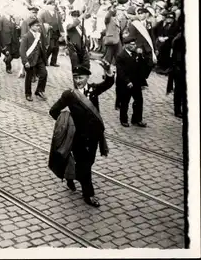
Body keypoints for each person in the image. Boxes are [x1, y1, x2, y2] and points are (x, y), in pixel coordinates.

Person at [49, 61, 114, 207]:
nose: (78, 81)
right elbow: (53, 111)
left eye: (81, 78)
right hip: (78, 138)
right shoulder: (69, 95)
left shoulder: (93, 90)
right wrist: (66, 123)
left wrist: (108, 70)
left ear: (87, 78)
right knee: (85, 166)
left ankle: (70, 175)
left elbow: (108, 83)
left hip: (94, 137)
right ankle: (88, 195)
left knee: (89, 162)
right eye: (76, 78)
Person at [116, 41, 149, 128]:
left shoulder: (136, 54)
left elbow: (141, 67)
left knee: (139, 101)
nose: (134, 46)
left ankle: (137, 119)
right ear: (126, 45)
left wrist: (141, 56)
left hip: (136, 83)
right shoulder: (120, 56)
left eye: (135, 44)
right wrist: (127, 81)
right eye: (132, 44)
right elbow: (120, 72)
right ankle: (123, 120)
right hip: (126, 83)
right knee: (125, 102)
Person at [19, 17, 48, 101]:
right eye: (36, 26)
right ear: (31, 26)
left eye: (39, 26)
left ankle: (39, 90)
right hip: (30, 60)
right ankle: (28, 94)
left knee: (44, 73)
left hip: (39, 59)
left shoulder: (39, 35)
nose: (38, 27)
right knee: (29, 77)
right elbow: (22, 50)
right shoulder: (26, 36)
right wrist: (25, 61)